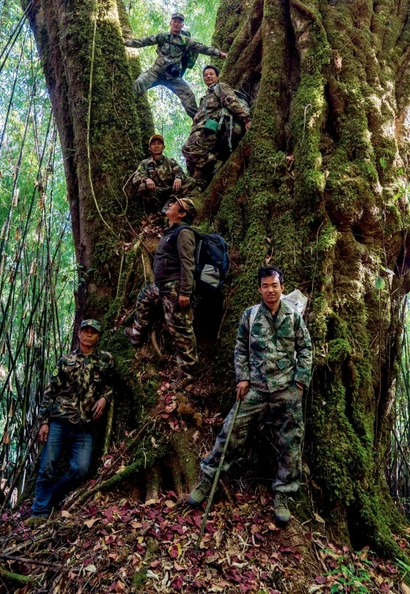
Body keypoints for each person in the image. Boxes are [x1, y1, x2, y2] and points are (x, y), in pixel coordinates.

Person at [187, 266, 312, 526]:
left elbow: (305, 347)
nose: (270, 290)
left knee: (291, 442)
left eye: (274, 285)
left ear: (281, 287)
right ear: (259, 289)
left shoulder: (293, 316)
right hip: (255, 388)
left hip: (286, 389)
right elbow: (241, 347)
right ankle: (208, 481)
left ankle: (284, 495)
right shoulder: (250, 315)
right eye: (265, 286)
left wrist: (300, 380)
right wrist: (242, 377)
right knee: (231, 430)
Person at [31, 319, 113, 517]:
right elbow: (50, 392)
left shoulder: (105, 359)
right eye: (85, 331)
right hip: (60, 420)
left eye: (93, 332)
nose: (88, 335)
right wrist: (44, 422)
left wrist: (104, 397)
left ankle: (51, 498)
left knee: (81, 469)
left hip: (84, 424)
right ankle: (39, 511)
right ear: (79, 334)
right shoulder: (65, 360)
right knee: (48, 467)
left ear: (98, 336)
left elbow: (111, 385)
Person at [124, 197, 198, 387]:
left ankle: (188, 373)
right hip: (162, 286)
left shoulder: (184, 233)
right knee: (144, 296)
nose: (170, 205)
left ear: (182, 214)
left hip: (175, 289)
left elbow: (187, 264)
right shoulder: (171, 232)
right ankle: (137, 332)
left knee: (180, 329)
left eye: (175, 205)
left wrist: (185, 292)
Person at [125, 12, 227, 119]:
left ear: (182, 25)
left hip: (173, 77)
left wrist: (219, 53)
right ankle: (125, 105)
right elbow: (144, 41)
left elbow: (202, 48)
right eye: (175, 21)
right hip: (155, 72)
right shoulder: (162, 37)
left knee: (188, 96)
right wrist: (126, 43)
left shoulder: (185, 41)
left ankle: (200, 121)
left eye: (179, 22)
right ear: (170, 23)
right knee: (139, 83)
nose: (177, 24)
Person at [182, 64, 251, 190]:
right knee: (194, 168)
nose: (208, 76)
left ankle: (215, 161)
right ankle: (199, 188)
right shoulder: (205, 96)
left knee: (188, 149)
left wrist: (246, 119)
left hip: (209, 129)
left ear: (217, 77)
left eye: (211, 74)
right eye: (205, 75)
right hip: (200, 130)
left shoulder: (220, 87)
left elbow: (231, 101)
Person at [131, 134, 195, 212]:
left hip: (171, 191)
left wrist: (178, 177)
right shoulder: (145, 163)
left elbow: (180, 172)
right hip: (156, 192)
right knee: (142, 187)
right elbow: (136, 177)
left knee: (190, 181)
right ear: (149, 148)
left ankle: (170, 202)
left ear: (163, 147)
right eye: (153, 144)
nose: (156, 146)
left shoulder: (171, 162)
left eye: (159, 143)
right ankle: (155, 209)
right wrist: (146, 179)